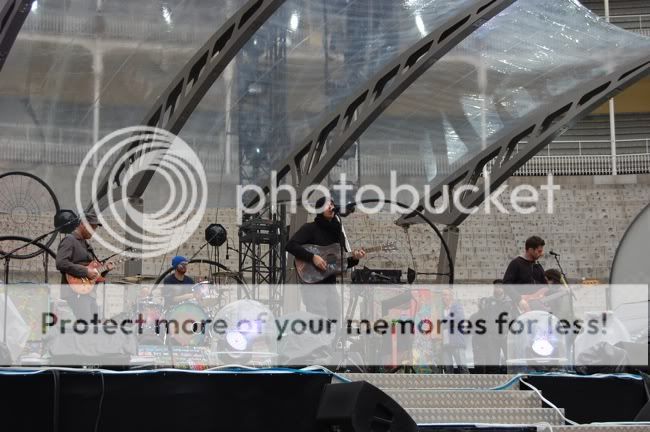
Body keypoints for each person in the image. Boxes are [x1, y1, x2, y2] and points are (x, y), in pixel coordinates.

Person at [285, 197, 365, 320]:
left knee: (335, 319)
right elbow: (290, 245)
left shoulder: (337, 232)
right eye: (327, 204)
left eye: (332, 204)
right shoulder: (310, 228)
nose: (331, 206)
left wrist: (355, 258)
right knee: (319, 321)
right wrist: (312, 257)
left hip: (330, 284)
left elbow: (340, 261)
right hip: (313, 285)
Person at [55, 212, 114, 320]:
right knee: (86, 325)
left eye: (95, 228)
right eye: (92, 227)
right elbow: (61, 263)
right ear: (82, 224)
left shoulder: (86, 244)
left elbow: (93, 273)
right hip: (75, 293)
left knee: (94, 324)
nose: (93, 231)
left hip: (88, 294)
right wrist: (85, 271)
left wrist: (105, 269)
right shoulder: (69, 240)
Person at [471, 280, 513, 373]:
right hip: (493, 337)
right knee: (493, 362)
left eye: (499, 287)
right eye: (495, 287)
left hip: (506, 336)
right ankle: (495, 380)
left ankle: (511, 378)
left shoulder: (509, 302)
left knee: (509, 359)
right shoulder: (489, 301)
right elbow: (483, 315)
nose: (497, 289)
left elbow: (513, 318)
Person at [502, 236, 546, 313]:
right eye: (539, 251)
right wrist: (519, 299)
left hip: (536, 307)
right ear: (530, 250)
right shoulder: (516, 263)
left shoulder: (538, 266)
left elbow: (544, 284)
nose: (542, 254)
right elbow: (506, 283)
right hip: (520, 308)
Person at [440, 289, 469, 374]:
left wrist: (444, 321)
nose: (443, 297)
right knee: (448, 369)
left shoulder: (457, 306)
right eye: (443, 295)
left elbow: (459, 318)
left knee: (462, 367)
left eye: (446, 295)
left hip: (457, 342)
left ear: (451, 296)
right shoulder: (442, 309)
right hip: (445, 343)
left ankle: (467, 382)